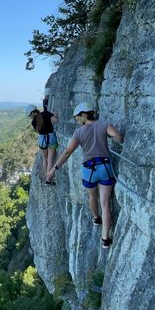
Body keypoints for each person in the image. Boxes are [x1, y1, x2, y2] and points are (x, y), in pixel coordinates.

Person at [45, 102, 123, 249]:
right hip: (105, 167)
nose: (77, 120)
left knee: (92, 197)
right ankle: (105, 239)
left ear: (84, 114)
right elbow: (118, 136)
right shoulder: (104, 124)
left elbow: (67, 152)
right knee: (105, 203)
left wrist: (53, 169)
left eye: (78, 117)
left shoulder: (79, 132)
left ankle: (96, 218)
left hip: (89, 170)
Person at [26, 102, 58, 184]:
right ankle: (48, 179)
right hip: (51, 138)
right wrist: (54, 114)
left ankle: (46, 176)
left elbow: (38, 131)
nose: (30, 117)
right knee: (50, 160)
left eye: (30, 115)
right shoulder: (46, 113)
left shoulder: (33, 122)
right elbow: (55, 120)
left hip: (42, 139)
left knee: (45, 159)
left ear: (32, 113)